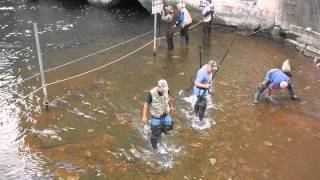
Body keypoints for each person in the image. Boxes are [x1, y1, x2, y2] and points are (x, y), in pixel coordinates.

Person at [142, 79, 174, 150]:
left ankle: (163, 132)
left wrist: (171, 106)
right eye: (163, 89)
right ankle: (154, 148)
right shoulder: (151, 93)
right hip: (156, 116)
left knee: (169, 127)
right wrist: (144, 116)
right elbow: (146, 105)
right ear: (159, 87)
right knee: (155, 133)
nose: (164, 91)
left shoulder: (166, 90)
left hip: (165, 114)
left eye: (165, 89)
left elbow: (169, 98)